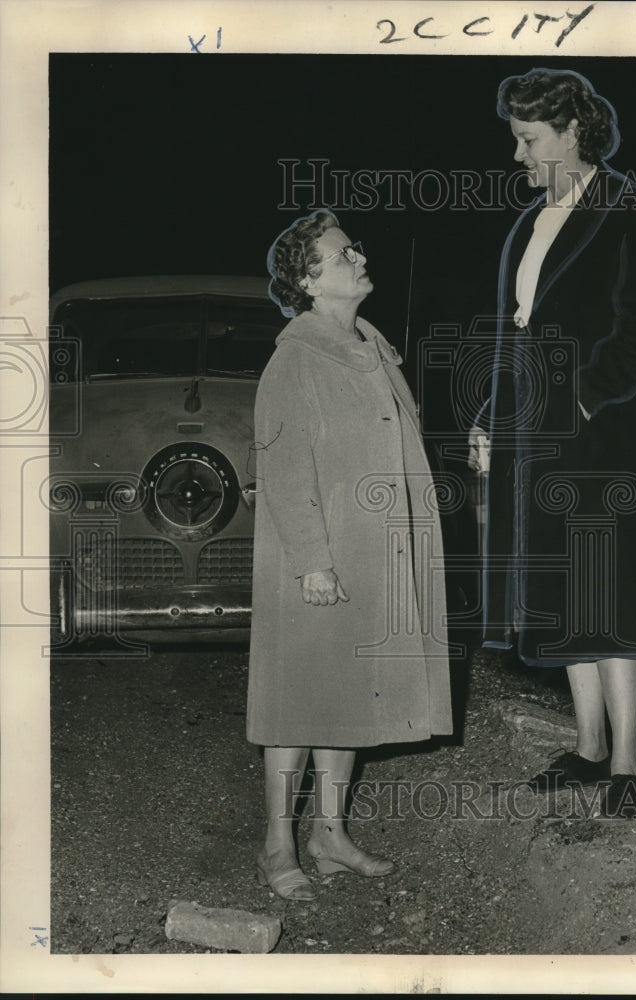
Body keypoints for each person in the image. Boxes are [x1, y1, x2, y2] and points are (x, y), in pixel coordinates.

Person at [468, 68, 636, 818]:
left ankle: (627, 761)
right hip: (537, 431)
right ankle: (589, 746)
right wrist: (492, 415)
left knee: (609, 586)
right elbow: (517, 336)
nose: (519, 155)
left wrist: (587, 394)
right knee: (566, 586)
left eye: (529, 140)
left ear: (570, 132)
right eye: (516, 140)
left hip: (603, 436)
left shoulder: (625, 210)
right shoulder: (534, 222)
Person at [247, 209, 453, 899]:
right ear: (309, 282)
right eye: (342, 256)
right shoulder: (295, 358)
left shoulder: (373, 348)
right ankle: (278, 844)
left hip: (373, 553)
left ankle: (329, 835)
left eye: (354, 249)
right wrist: (312, 561)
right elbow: (284, 469)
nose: (358, 259)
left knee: (343, 697)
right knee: (296, 702)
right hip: (318, 558)